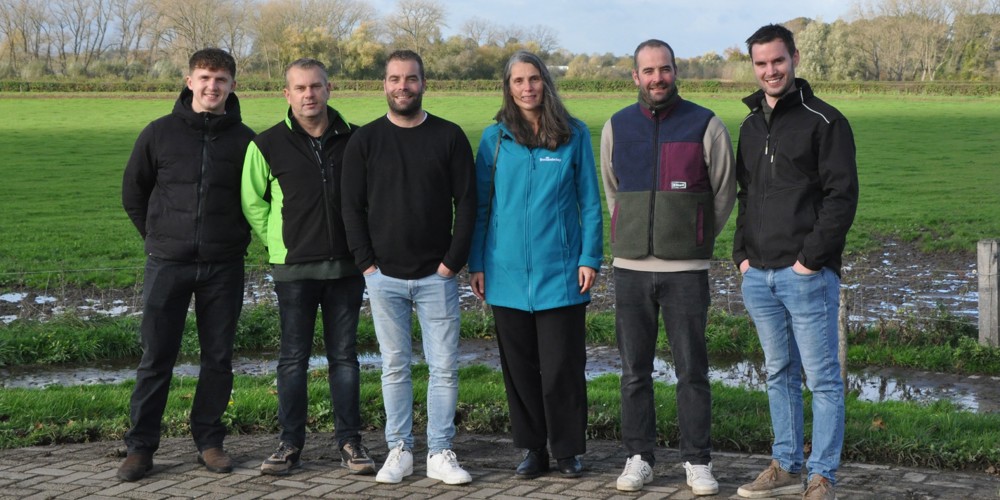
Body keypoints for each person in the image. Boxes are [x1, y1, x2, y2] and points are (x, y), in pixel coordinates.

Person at [600, 39, 735, 495]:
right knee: (633, 371)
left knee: (692, 370)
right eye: (648, 70)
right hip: (631, 268)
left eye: (665, 69)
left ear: (676, 72)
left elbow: (723, 192)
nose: (657, 77)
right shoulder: (617, 126)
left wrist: (695, 235)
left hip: (687, 270)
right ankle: (639, 457)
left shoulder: (706, 124)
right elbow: (612, 190)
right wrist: (632, 233)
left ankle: (697, 461)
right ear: (635, 76)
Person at [733, 24, 858, 500]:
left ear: (795, 58)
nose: (770, 71)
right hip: (757, 276)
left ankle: (821, 475)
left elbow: (841, 198)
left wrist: (809, 261)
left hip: (806, 276)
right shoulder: (747, 126)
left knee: (822, 378)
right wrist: (740, 256)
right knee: (777, 372)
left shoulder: (825, 121)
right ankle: (786, 466)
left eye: (778, 61)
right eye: (761, 63)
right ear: (754, 66)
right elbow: (746, 196)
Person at [340, 49, 477, 486]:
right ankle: (399, 449)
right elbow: (351, 207)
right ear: (384, 84)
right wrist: (366, 265)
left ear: (424, 83)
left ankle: (440, 451)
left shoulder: (449, 136)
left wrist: (451, 263)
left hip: (436, 277)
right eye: (395, 79)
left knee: (444, 367)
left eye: (411, 79)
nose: (403, 86)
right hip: (384, 279)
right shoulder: (365, 141)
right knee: (394, 366)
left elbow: (469, 203)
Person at [118, 48, 255, 482]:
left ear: (233, 85)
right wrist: (157, 239)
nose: (212, 86)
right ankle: (141, 448)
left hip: (224, 266)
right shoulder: (158, 134)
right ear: (189, 80)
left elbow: (257, 200)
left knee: (218, 358)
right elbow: (133, 193)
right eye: (204, 77)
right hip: (167, 265)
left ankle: (210, 442)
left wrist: (235, 240)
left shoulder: (246, 140)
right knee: (156, 357)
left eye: (220, 79)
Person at [468, 50, 603, 480]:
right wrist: (477, 263)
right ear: (508, 88)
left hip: (561, 272)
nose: (527, 88)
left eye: (534, 79)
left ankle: (567, 451)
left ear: (546, 82)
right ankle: (532, 450)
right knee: (520, 368)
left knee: (563, 366)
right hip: (504, 274)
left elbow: (590, 202)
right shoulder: (494, 140)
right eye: (518, 81)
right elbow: (481, 207)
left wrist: (589, 257)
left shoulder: (574, 134)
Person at [241, 58, 375, 477]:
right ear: (287, 94)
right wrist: (279, 242)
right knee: (293, 359)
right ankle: (288, 444)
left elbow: (371, 198)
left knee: (345, 358)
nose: (308, 95)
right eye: (299, 88)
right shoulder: (265, 145)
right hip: (294, 269)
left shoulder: (357, 140)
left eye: (315, 86)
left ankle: (350, 442)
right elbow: (253, 203)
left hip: (347, 270)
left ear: (329, 88)